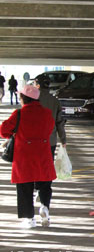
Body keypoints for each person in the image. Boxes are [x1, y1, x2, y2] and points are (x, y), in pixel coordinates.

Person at [0, 85, 56, 228]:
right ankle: (45, 207)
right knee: (44, 183)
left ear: (23, 98)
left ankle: (29, 219)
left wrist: (13, 134)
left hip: (24, 155)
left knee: (25, 187)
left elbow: (3, 131)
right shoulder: (47, 113)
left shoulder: (19, 114)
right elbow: (50, 129)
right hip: (43, 153)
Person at [35, 74, 66, 158]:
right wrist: (63, 140)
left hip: (34, 140)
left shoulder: (31, 99)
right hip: (50, 140)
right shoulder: (55, 101)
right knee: (48, 165)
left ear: (37, 85)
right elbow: (59, 122)